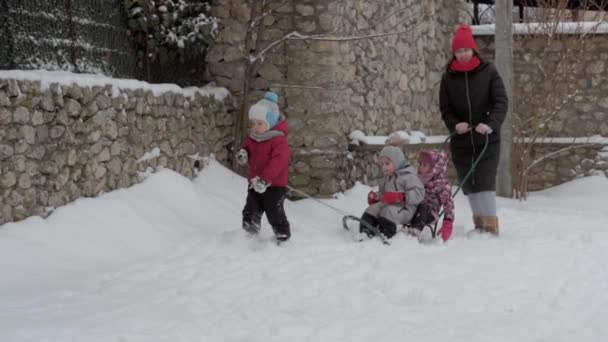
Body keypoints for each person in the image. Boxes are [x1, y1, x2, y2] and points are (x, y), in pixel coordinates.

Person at [439, 24, 508, 235]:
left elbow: (501, 101)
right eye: (458, 51)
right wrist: (454, 124)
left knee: (485, 182)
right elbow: (445, 109)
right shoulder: (448, 77)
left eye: (465, 50)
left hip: (486, 138)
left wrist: (490, 123)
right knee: (469, 184)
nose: (462, 55)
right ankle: (480, 226)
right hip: (462, 141)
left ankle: (490, 227)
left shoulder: (488, 71)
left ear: (473, 49)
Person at [236, 92, 291, 242]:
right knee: (251, 208)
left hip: (274, 185)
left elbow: (278, 163)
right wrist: (243, 154)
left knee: (274, 211)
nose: (255, 127)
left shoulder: (278, 141)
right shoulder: (253, 137)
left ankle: (282, 234)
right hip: (255, 182)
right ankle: (249, 231)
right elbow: (246, 148)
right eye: (253, 123)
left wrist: (265, 180)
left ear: (270, 122)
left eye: (260, 123)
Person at [361, 145, 425, 239]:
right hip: (389, 206)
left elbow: (419, 193)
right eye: (382, 164)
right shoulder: (387, 179)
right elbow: (383, 194)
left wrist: (402, 196)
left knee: (388, 211)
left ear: (397, 162)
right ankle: (365, 230)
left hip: (405, 210)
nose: (384, 167)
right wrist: (376, 197)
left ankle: (386, 232)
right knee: (373, 208)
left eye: (387, 163)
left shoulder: (409, 177)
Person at [409, 149, 455, 242]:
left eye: (424, 165)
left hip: (430, 213)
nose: (421, 167)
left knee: (424, 207)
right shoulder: (418, 179)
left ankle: (414, 232)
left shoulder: (441, 184)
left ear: (435, 168)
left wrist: (448, 222)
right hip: (416, 207)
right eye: (420, 164)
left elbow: (448, 203)